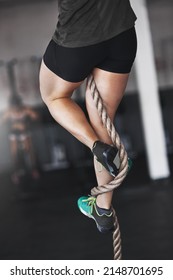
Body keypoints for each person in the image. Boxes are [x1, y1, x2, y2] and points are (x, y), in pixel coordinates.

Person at [39, 0, 137, 233]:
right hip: (121, 35)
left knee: (53, 97)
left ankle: (97, 147)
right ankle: (102, 210)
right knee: (103, 121)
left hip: (78, 39)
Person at [1, 94, 40, 184]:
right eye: (14, 106)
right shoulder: (9, 112)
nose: (15, 108)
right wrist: (13, 124)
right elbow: (1, 122)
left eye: (17, 106)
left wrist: (29, 116)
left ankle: (33, 170)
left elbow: (36, 117)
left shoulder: (25, 109)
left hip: (24, 132)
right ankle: (15, 173)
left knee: (29, 151)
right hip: (13, 134)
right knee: (14, 153)